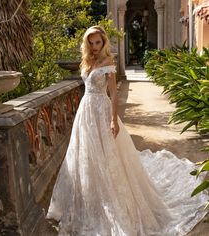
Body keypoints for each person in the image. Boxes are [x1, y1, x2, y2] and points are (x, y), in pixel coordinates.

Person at [46, 26, 208, 235]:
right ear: (87, 43)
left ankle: (112, 197)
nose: (95, 46)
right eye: (92, 43)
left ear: (104, 43)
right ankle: (92, 195)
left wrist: (113, 120)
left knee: (109, 155)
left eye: (98, 42)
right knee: (87, 155)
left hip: (102, 110)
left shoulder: (108, 62)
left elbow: (113, 94)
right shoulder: (87, 61)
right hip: (85, 112)